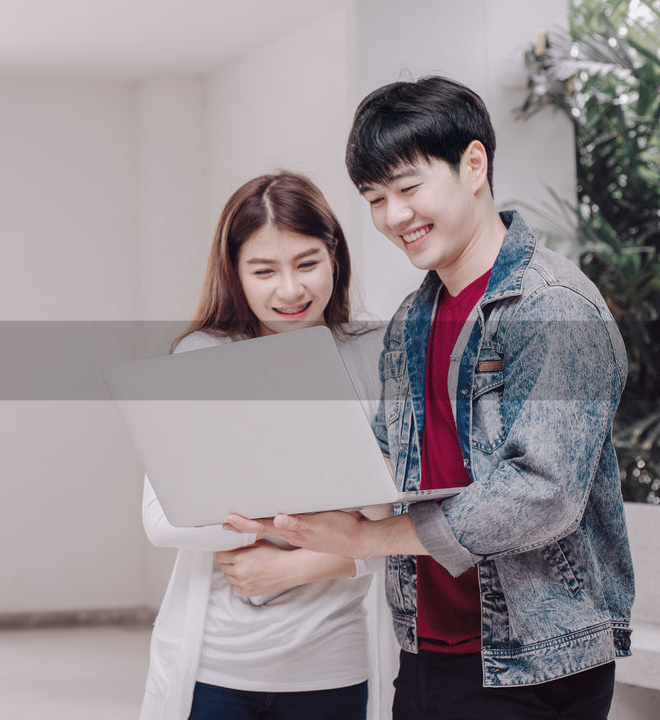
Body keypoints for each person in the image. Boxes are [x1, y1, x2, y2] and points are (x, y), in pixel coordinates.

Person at [227, 77, 632, 720]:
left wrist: (366, 540)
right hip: (427, 645)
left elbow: (542, 494)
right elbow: (399, 465)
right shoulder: (415, 318)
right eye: (376, 198)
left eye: (409, 189)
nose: (394, 217)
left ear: (474, 165)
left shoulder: (552, 306)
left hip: (534, 658)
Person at [141, 172, 395, 720]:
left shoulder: (377, 353)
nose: (290, 290)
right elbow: (163, 520)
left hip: (334, 667)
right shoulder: (203, 358)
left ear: (334, 255)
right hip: (219, 667)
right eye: (264, 270)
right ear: (235, 272)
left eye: (307, 263)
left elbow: (403, 521)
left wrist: (307, 563)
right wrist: (333, 519)